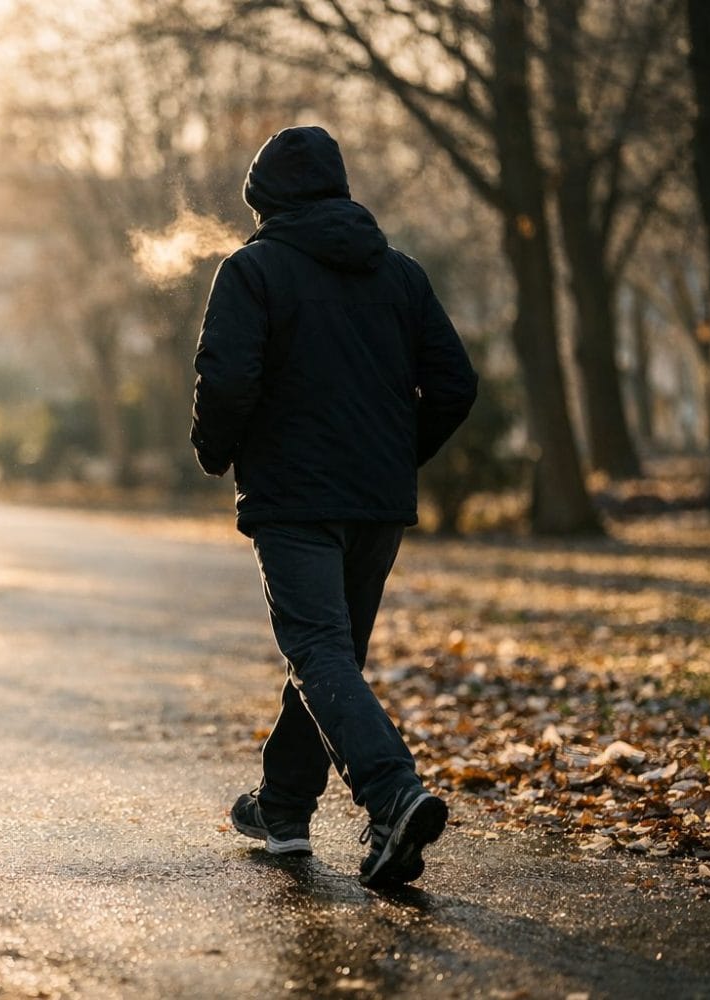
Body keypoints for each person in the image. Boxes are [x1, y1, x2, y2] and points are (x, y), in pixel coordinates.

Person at [190, 125, 478, 886]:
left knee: (318, 651)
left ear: (265, 201)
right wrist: (395, 455)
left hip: (294, 497)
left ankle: (393, 795)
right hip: (377, 502)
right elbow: (455, 385)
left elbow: (227, 379)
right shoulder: (402, 275)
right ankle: (283, 808)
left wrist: (214, 451)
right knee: (329, 654)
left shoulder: (251, 270)